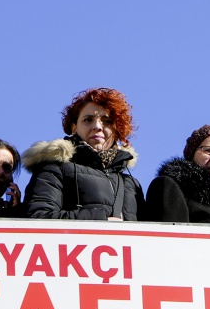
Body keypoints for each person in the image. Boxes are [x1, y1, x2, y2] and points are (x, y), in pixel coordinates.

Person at [23, 88, 144, 220]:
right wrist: (101, 220)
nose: (97, 126)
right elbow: (38, 217)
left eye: (107, 121)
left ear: (116, 130)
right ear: (74, 128)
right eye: (88, 120)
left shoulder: (131, 183)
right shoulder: (55, 169)